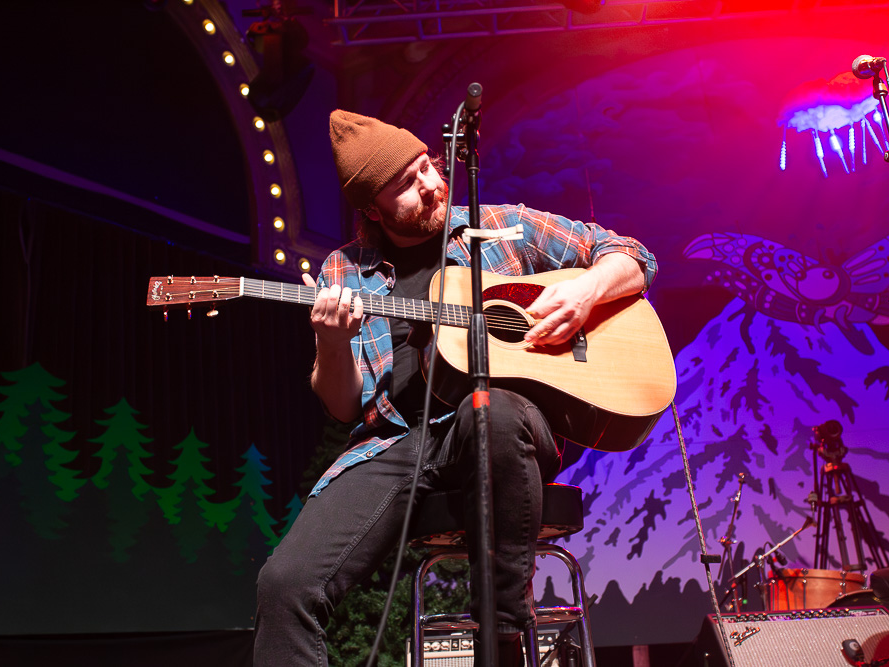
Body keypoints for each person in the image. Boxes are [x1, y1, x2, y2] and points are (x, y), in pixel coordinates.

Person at [254, 110, 658, 666]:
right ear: (372, 210)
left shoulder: (502, 227)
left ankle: (505, 638)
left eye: (429, 167)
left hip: (504, 424)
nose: (430, 185)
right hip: (395, 441)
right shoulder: (345, 271)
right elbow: (344, 404)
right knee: (285, 586)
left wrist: (585, 293)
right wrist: (330, 342)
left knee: (486, 407)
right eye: (407, 184)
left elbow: (633, 256)